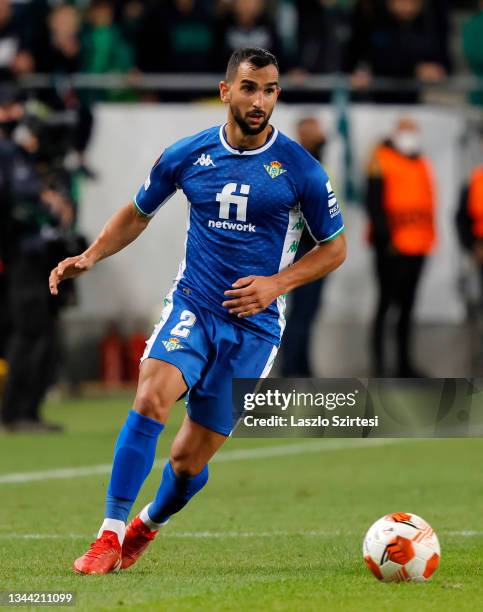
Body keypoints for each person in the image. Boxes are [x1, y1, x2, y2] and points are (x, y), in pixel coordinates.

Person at [49, 47, 346, 575]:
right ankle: (109, 534)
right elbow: (138, 213)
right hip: (193, 305)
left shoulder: (300, 169)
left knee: (187, 463)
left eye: (271, 89)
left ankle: (148, 523)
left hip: (255, 329)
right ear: (226, 90)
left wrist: (276, 284)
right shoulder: (187, 154)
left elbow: (334, 247)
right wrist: (90, 255)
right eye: (251, 87)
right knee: (150, 397)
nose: (261, 100)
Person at [0, 89, 76, 432]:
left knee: (40, 333)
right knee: (28, 332)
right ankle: (16, 413)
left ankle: (27, 410)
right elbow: (20, 195)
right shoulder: (9, 154)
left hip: (36, 256)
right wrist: (46, 199)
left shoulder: (25, 159)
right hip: (21, 256)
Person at [365, 117, 435, 376]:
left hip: (419, 246)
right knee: (386, 304)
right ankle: (380, 365)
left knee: (408, 307)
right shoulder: (380, 160)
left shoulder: (421, 163)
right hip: (391, 248)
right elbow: (374, 205)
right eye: (405, 132)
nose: (410, 137)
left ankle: (404, 364)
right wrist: (386, 240)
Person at [281, 116, 328, 377]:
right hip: (305, 248)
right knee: (299, 314)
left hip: (314, 247)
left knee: (307, 313)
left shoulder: (313, 161)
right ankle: (292, 369)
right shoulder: (301, 164)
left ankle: (301, 366)